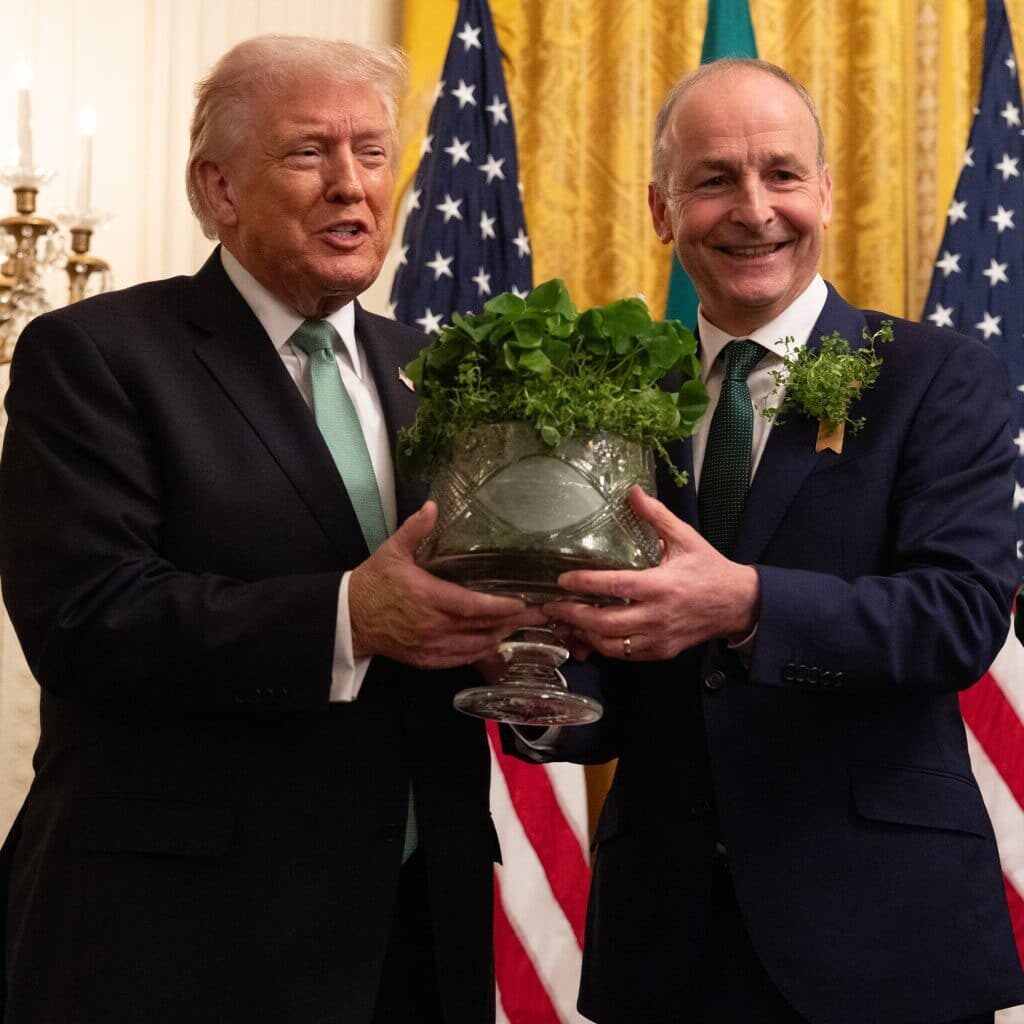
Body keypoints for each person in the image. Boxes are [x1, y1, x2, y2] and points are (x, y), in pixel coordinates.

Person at [0, 35, 545, 1024]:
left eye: (372, 153)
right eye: (308, 153)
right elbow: (85, 617)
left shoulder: (447, 370)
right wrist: (348, 616)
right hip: (183, 933)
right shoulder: (97, 355)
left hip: (417, 926)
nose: (350, 184)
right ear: (217, 189)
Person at [520, 59, 1024, 1023]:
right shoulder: (616, 402)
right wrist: (542, 678)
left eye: (782, 174)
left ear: (825, 194)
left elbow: (959, 618)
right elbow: (613, 683)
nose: (755, 209)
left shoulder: (935, 378)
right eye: (714, 180)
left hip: (882, 941)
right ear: (664, 211)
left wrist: (747, 604)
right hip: (664, 949)